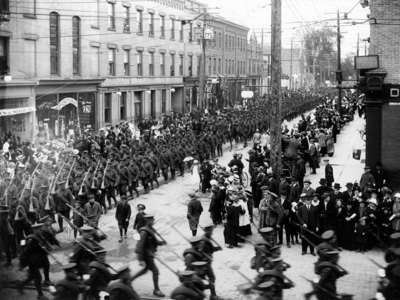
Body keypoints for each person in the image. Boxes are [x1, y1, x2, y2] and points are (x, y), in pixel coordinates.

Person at [131, 214, 166, 297]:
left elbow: (153, 241)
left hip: (149, 254)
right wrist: (140, 259)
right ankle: (156, 290)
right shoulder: (144, 232)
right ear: (148, 221)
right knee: (155, 271)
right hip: (146, 255)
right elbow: (140, 246)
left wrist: (161, 243)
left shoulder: (150, 229)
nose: (153, 221)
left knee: (145, 270)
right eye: (152, 220)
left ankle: (128, 281)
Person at [18, 222, 49, 300]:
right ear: (34, 230)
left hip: (39, 260)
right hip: (32, 262)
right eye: (38, 229)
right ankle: (40, 295)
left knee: (31, 277)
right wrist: (22, 264)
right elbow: (24, 252)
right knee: (38, 278)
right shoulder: (31, 239)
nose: (40, 230)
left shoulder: (40, 236)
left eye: (40, 228)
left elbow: (42, 247)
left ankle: (21, 285)